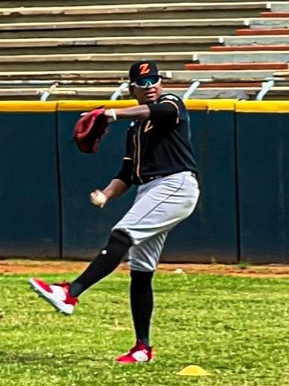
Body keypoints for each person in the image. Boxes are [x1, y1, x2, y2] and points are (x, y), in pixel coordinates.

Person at [29, 59, 200, 365]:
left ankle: (71, 292)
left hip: (175, 183)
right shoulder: (135, 130)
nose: (150, 87)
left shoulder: (171, 103)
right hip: (151, 189)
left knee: (122, 234)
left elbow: (156, 111)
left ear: (161, 84)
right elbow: (126, 174)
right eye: (143, 83)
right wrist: (106, 194)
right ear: (131, 87)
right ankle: (142, 348)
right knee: (141, 270)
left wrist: (112, 112)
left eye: (154, 81)